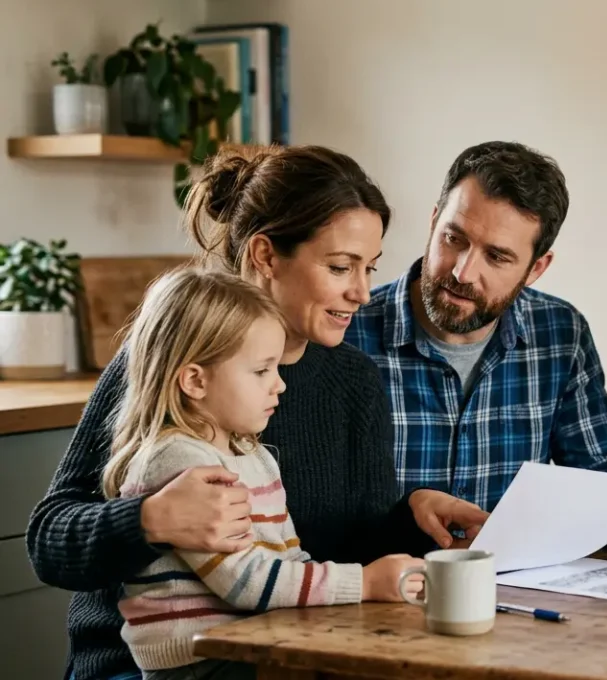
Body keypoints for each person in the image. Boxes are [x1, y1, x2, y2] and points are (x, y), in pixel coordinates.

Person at [26, 145, 459, 680]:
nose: (362, 292)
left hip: (277, 650)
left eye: (369, 268)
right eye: (340, 267)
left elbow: (349, 552)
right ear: (265, 254)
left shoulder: (354, 381)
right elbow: (50, 540)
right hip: (145, 667)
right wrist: (149, 520)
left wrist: (412, 515)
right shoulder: (172, 358)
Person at [345, 141, 607, 564]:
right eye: (454, 238)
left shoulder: (561, 334)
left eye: (497, 256)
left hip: (514, 596)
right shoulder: (346, 330)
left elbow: (598, 471)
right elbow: (317, 507)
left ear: (536, 268)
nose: (463, 272)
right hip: (376, 594)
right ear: (434, 222)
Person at [104, 268, 423, 680]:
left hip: (253, 642)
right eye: (261, 371)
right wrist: (363, 583)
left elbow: (291, 559)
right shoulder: (179, 462)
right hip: (199, 663)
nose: (280, 386)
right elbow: (248, 583)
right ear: (195, 381)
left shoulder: (251, 454)